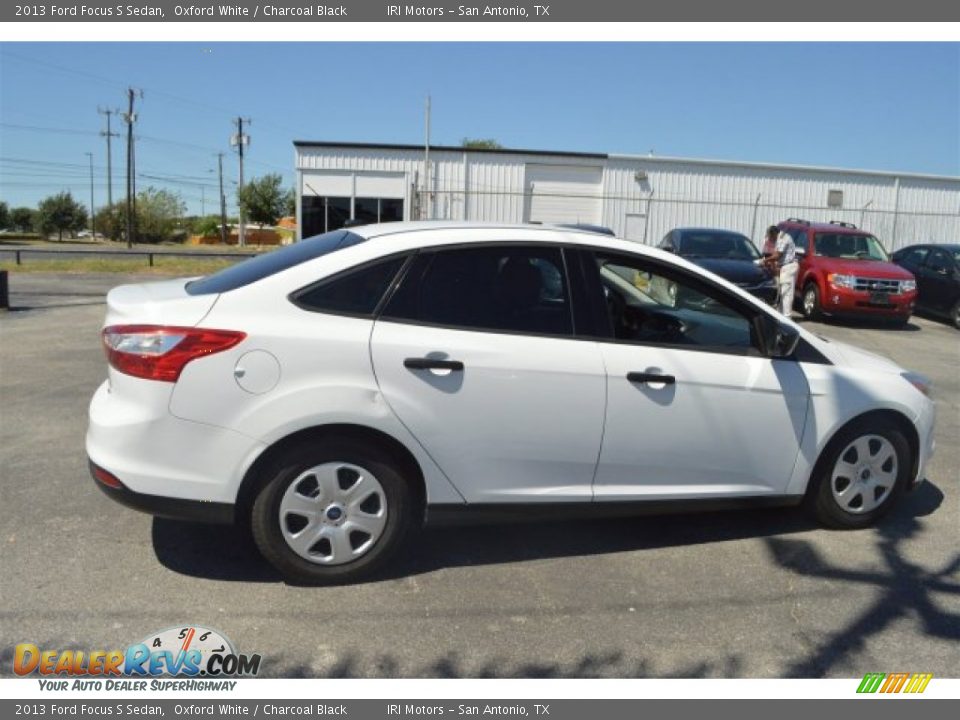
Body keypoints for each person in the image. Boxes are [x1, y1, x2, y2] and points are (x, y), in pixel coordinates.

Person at [762, 225, 798, 316]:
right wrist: (769, 262)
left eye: (770, 237)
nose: (770, 239)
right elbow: (775, 254)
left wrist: (765, 261)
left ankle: (787, 316)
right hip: (784, 267)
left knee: (786, 294)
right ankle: (781, 316)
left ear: (774, 234)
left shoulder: (783, 238)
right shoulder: (778, 239)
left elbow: (778, 255)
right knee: (782, 293)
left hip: (788, 267)